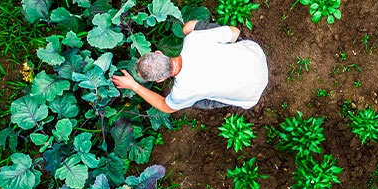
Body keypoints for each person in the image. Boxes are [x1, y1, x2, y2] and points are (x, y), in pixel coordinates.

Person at [111, 20, 268, 113]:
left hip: (250, 95)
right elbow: (234, 32)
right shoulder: (194, 40)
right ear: (159, 53)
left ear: (160, 79)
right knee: (188, 28)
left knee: (194, 101)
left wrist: (134, 86)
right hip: (255, 56)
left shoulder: (182, 93)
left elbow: (166, 107)